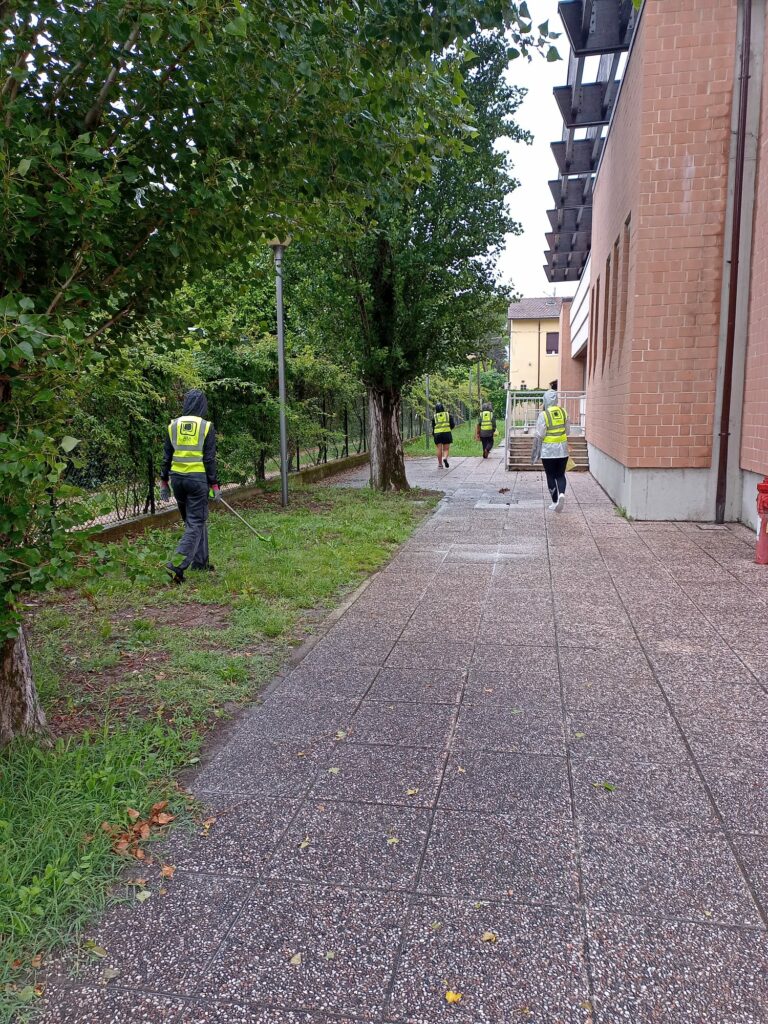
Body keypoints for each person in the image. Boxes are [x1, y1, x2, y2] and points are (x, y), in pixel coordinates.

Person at [158, 388, 221, 583]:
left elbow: (167, 456)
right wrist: (215, 483)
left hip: (177, 480)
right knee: (196, 522)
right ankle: (175, 566)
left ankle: (200, 562)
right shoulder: (206, 426)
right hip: (196, 480)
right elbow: (209, 458)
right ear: (203, 405)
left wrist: (163, 481)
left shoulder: (173, 425)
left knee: (194, 521)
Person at [531, 388, 569, 512]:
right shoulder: (564, 412)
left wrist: (535, 450)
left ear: (545, 400)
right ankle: (562, 493)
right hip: (563, 450)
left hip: (548, 452)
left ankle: (554, 502)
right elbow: (568, 431)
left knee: (550, 475)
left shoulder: (544, 415)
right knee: (560, 475)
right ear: (556, 400)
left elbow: (540, 434)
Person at [432, 402, 455, 468]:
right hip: (446, 433)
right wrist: (449, 429)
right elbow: (452, 425)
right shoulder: (448, 415)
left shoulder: (434, 417)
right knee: (446, 449)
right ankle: (445, 458)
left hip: (437, 434)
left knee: (439, 449)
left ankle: (440, 464)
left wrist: (434, 434)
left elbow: (433, 427)